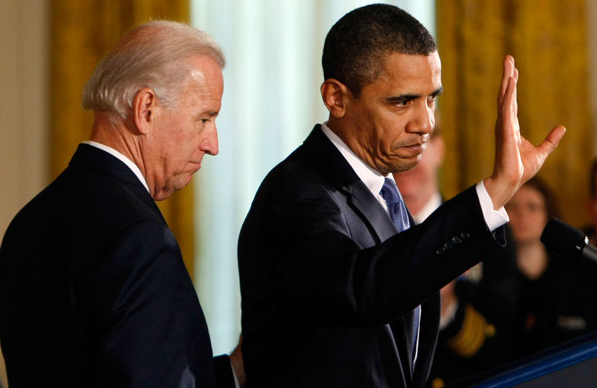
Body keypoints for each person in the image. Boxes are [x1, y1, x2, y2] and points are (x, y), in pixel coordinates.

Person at [237, 4, 565, 388]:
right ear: (336, 98)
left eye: (431, 98)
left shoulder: (381, 187)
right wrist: (497, 189)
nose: (425, 123)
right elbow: (361, 290)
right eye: (402, 102)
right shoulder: (298, 192)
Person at [0, 21, 243, 388]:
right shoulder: (140, 239)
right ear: (146, 109)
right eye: (204, 119)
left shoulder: (28, 220)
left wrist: (236, 371)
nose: (213, 144)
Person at [394, 129, 519, 387]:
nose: (408, 160)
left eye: (418, 143)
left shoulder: (483, 229)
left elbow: (509, 339)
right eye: (396, 147)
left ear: (440, 148)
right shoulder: (366, 236)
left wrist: (448, 308)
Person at [506, 178, 597, 357]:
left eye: (532, 207)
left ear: (548, 215)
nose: (522, 214)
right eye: (512, 207)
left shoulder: (570, 273)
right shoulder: (494, 276)